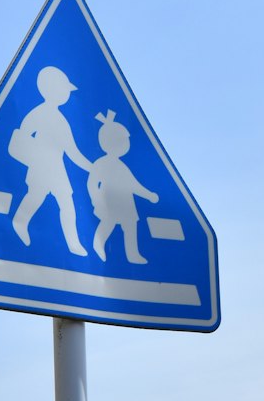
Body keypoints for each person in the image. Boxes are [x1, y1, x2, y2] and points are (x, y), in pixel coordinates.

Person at [10, 66, 93, 253]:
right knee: (37, 196)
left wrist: (91, 167)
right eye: (65, 90)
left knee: (65, 202)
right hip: (41, 165)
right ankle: (19, 223)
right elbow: (22, 134)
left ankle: (73, 243)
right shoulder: (41, 113)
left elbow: (71, 150)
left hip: (57, 168)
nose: (67, 95)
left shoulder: (60, 119)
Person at [86, 109, 159, 264]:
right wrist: (95, 199)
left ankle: (133, 254)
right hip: (109, 201)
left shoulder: (122, 166)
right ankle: (98, 245)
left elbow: (133, 185)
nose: (127, 144)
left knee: (131, 226)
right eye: (123, 141)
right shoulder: (101, 163)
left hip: (126, 203)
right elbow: (91, 183)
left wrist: (149, 195)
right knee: (108, 223)